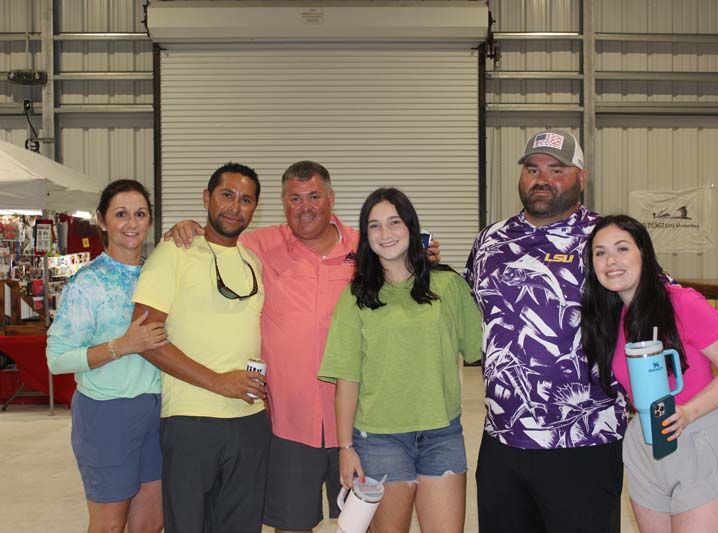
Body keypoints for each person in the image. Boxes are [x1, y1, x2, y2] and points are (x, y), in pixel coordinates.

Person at [464, 130, 718, 533]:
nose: (542, 178)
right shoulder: (490, 241)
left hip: (585, 439)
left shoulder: (606, 240)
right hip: (503, 440)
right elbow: (464, 310)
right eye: (532, 169)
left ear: (581, 177)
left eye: (556, 169)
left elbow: (664, 300)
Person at [164, 161, 440, 533]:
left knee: (371, 525)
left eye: (313, 196)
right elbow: (219, 234)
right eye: (295, 198)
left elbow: (407, 269)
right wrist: (189, 227)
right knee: (291, 525)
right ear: (282, 203)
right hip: (288, 424)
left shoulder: (367, 249)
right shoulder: (257, 245)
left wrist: (423, 257)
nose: (305, 206)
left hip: (361, 421)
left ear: (331, 198)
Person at [318, 187, 482, 533]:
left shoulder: (448, 286)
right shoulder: (356, 297)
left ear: (411, 226)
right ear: (366, 237)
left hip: (442, 435)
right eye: (374, 226)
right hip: (379, 440)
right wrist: (345, 448)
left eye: (394, 222)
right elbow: (347, 381)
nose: (385, 233)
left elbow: (480, 350)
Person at [582, 214, 718, 532]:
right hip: (645, 445)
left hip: (699, 437)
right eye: (600, 253)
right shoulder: (612, 319)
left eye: (622, 249)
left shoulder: (682, 302)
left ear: (643, 255)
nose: (611, 261)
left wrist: (687, 412)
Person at [131, 162, 269, 533]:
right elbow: (143, 339)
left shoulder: (253, 262)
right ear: (207, 198)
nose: (234, 207)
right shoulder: (174, 253)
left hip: (249, 421)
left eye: (246, 200)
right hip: (190, 422)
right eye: (226, 195)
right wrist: (218, 382)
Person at [47, 179, 168, 533]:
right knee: (109, 526)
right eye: (121, 214)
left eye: (140, 214)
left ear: (149, 220)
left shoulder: (158, 274)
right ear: (102, 220)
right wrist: (124, 345)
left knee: (151, 524)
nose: (131, 223)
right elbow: (57, 359)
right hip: (107, 414)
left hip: (158, 411)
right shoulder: (87, 283)